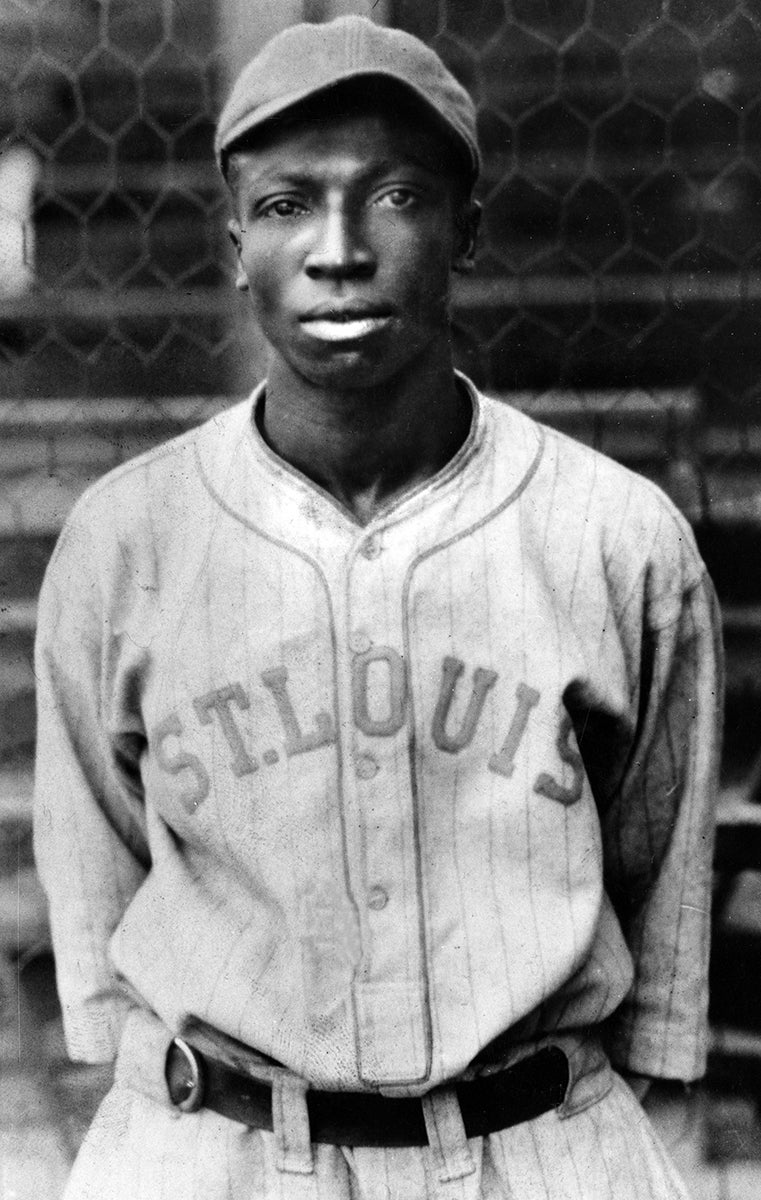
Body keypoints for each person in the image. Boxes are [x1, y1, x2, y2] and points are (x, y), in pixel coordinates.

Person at [33, 15, 723, 1200]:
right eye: (289, 204)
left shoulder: (613, 538)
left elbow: (659, 902)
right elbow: (98, 910)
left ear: (468, 229)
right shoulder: (124, 542)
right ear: (234, 239)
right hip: (209, 1156)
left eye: (395, 196)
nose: (339, 249)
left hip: (539, 1151)